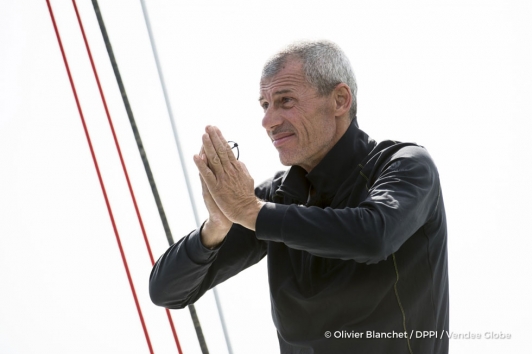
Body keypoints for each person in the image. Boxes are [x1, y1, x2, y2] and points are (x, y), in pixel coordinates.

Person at [149, 40, 449, 354]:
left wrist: (251, 212)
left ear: (340, 99)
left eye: (285, 100)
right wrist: (216, 226)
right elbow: (167, 292)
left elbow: (374, 235)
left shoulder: (406, 165)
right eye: (265, 105)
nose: (268, 121)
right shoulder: (273, 199)